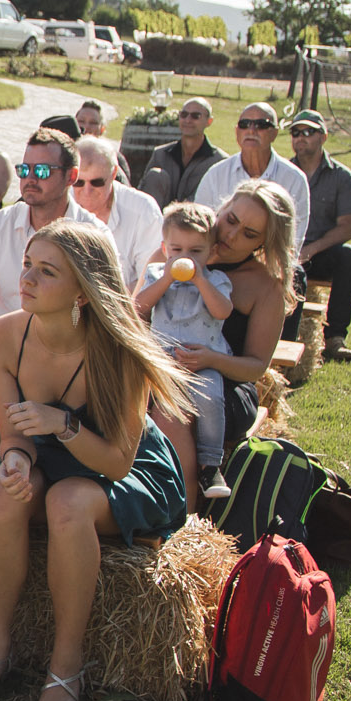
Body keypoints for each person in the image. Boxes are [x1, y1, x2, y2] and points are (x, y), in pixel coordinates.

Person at [0, 222, 193, 701]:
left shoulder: (121, 351)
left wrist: (62, 424)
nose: (26, 279)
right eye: (27, 265)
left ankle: (67, 665)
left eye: (47, 271)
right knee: (5, 492)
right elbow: (13, 434)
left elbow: (117, 463)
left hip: (117, 467)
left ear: (82, 291)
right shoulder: (1, 335)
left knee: (67, 502)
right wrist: (16, 460)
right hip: (44, 453)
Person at [150, 180, 298, 511]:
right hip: (163, 366)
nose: (231, 235)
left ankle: (182, 515)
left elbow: (256, 366)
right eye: (230, 220)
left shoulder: (265, 286)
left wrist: (212, 359)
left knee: (173, 409)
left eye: (249, 234)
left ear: (264, 242)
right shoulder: (178, 250)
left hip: (224, 385)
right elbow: (135, 312)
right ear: (222, 208)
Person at [135, 202, 237, 499]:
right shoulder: (157, 273)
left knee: (211, 399)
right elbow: (138, 307)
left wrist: (200, 280)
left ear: (211, 253)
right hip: (161, 359)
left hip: (201, 361)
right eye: (177, 250)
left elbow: (222, 311)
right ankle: (129, 450)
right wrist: (167, 278)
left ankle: (210, 465)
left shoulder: (216, 281)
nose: (185, 258)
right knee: (134, 392)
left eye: (195, 251)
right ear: (165, 249)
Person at [0, 129, 107, 318]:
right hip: (6, 334)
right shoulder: (1, 223)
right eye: (24, 170)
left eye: (42, 171)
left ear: (71, 176)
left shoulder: (94, 234)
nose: (30, 179)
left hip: (66, 335)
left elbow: (105, 310)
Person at [287, 109, 351, 362]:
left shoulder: (341, 177)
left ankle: (335, 339)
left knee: (349, 257)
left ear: (324, 136)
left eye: (308, 131)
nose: (301, 137)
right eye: (296, 132)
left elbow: (348, 226)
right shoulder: (284, 172)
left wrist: (312, 249)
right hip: (286, 250)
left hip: (319, 253)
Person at [194, 101, 310, 249]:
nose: (251, 130)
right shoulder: (216, 175)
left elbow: (293, 240)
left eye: (261, 125)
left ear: (274, 133)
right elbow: (200, 229)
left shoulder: (294, 179)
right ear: (237, 131)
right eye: (245, 124)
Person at [70, 135, 164, 289]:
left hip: (127, 301)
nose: (87, 191)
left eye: (97, 182)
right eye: (79, 182)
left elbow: (150, 280)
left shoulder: (143, 210)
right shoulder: (60, 202)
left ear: (113, 174)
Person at [137, 98, 228, 208]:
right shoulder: (160, 154)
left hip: (195, 216)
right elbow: (142, 194)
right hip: (156, 215)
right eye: (184, 115)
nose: (188, 120)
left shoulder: (220, 161)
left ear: (209, 121)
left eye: (195, 116)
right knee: (156, 175)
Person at [74, 98, 129, 183]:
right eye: (81, 121)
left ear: (102, 129)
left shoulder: (116, 158)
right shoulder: (67, 155)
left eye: (93, 123)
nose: (86, 127)